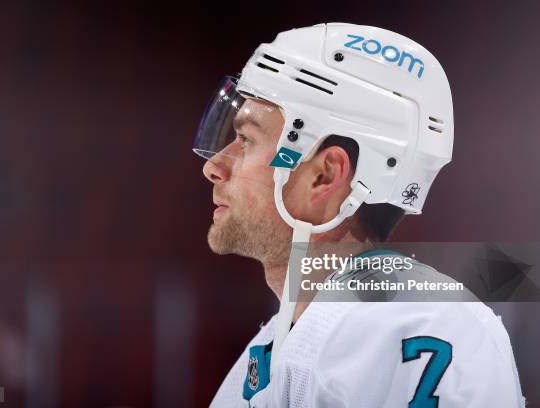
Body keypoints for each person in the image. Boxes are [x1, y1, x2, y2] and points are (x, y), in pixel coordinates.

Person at [193, 23, 525, 407]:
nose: (215, 166)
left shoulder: (417, 325)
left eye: (246, 140)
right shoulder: (282, 338)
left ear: (326, 175)